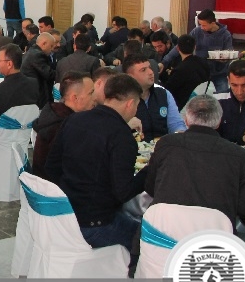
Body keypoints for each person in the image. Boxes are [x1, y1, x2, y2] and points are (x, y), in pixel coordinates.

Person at [46, 74, 148, 251]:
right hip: (95, 224)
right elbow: (123, 193)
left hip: (64, 215)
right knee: (148, 241)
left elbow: (51, 167)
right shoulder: (122, 136)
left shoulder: (74, 119)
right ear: (130, 103)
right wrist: (149, 171)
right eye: (137, 105)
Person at [145, 95, 245, 226]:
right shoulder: (239, 155)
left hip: (162, 232)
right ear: (219, 122)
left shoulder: (166, 144)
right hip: (213, 235)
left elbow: (150, 188)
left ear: (186, 120)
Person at [32, 72, 95, 181]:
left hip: (44, 180)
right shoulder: (65, 126)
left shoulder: (54, 113)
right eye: (91, 93)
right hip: (55, 185)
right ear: (75, 98)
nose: (95, 98)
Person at [162, 9, 232, 93]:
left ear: (213, 23)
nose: (202, 27)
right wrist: (164, 61)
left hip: (219, 73)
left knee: (223, 94)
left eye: (204, 25)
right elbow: (180, 46)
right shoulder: (197, 31)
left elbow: (229, 52)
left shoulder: (225, 35)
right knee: (197, 94)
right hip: (200, 71)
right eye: (200, 24)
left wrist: (224, 58)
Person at [122, 53, 186, 139]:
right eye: (143, 70)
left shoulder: (164, 94)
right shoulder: (121, 99)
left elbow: (176, 124)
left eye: (150, 67)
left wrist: (180, 134)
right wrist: (125, 126)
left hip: (164, 145)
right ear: (130, 77)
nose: (151, 72)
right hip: (133, 146)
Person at [162, 34, 210, 110]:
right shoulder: (204, 63)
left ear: (178, 48)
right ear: (195, 47)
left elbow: (168, 90)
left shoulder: (179, 69)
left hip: (184, 107)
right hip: (203, 103)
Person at [20, 32, 55, 109]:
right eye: (51, 46)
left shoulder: (30, 52)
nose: (52, 49)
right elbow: (48, 74)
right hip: (37, 95)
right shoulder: (38, 55)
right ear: (44, 44)